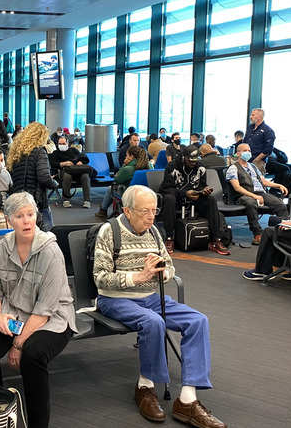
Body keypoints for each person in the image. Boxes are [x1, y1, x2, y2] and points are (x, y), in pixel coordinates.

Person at [93, 185, 227, 428]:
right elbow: (100, 278)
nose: (151, 217)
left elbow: (171, 269)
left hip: (151, 297)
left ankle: (187, 399)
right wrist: (139, 277)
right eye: (145, 211)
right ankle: (145, 386)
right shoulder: (109, 231)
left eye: (154, 210)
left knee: (198, 320)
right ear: (127, 210)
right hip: (114, 298)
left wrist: (162, 271)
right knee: (154, 322)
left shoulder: (153, 231)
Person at [0, 191, 76, 428]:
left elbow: (45, 308)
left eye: (30, 214)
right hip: (14, 312)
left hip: (52, 318)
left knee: (33, 355)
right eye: (19, 216)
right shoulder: (1, 248)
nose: (27, 220)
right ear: (9, 220)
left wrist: (17, 345)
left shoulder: (50, 251)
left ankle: (38, 424)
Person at [159, 145, 230, 255]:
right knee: (169, 199)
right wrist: (184, 193)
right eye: (190, 161)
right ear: (184, 157)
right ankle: (169, 238)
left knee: (211, 200)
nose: (193, 164)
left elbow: (201, 185)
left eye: (195, 161)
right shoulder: (172, 166)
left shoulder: (200, 167)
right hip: (176, 198)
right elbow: (166, 188)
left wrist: (204, 190)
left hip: (195, 198)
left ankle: (216, 240)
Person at [226, 142, 288, 244]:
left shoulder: (253, 167)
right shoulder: (233, 168)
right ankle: (257, 233)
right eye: (245, 151)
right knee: (250, 202)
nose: (248, 152)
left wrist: (278, 185)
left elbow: (264, 182)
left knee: (280, 204)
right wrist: (254, 196)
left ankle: (280, 232)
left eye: (249, 150)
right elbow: (237, 188)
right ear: (237, 153)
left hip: (260, 193)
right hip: (243, 195)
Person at [6, 122, 59, 231]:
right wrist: (54, 183)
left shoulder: (16, 152)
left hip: (18, 198)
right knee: (47, 235)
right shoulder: (40, 152)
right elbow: (44, 177)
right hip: (36, 200)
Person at [97, 145, 151, 219]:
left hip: (130, 196)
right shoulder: (150, 166)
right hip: (147, 195)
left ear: (131, 156)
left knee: (110, 189)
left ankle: (103, 211)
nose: (125, 157)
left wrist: (124, 165)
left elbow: (117, 179)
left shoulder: (128, 169)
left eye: (127, 155)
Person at [50, 135, 92, 209]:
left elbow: (84, 158)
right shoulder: (55, 153)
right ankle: (66, 200)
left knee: (85, 175)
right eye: (60, 144)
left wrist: (80, 162)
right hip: (64, 172)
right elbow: (52, 163)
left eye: (63, 144)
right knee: (67, 175)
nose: (61, 145)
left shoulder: (73, 150)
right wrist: (62, 164)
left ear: (67, 143)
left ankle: (87, 200)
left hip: (77, 171)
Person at [243, 108, 275, 173]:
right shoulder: (250, 128)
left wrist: (256, 160)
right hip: (246, 160)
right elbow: (244, 143)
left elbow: (268, 149)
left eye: (253, 115)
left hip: (258, 162)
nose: (250, 117)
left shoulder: (268, 130)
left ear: (259, 117)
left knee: (257, 181)